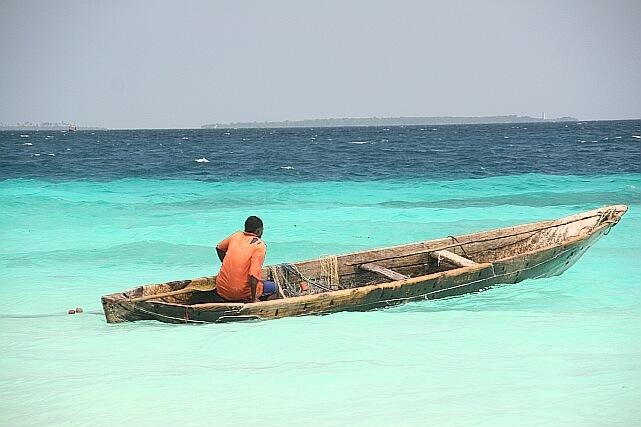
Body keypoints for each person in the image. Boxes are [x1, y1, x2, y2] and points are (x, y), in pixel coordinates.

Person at [215, 216, 278, 302]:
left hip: (221, 289)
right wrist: (253, 299)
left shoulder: (236, 235)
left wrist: (228, 265)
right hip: (241, 293)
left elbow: (219, 248)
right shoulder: (259, 245)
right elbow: (253, 275)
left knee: (261, 282)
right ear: (258, 231)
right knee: (274, 287)